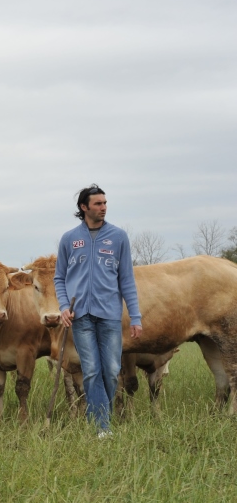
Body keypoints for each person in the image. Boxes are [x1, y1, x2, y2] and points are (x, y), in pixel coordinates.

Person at [54, 184, 142, 438]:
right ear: (84, 207)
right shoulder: (70, 239)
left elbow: (126, 279)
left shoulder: (118, 237)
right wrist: (63, 307)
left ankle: (99, 418)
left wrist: (135, 316)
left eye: (105, 203)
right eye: (98, 204)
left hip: (110, 315)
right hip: (80, 315)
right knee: (91, 370)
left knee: (112, 371)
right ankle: (102, 427)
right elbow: (59, 278)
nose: (103, 208)